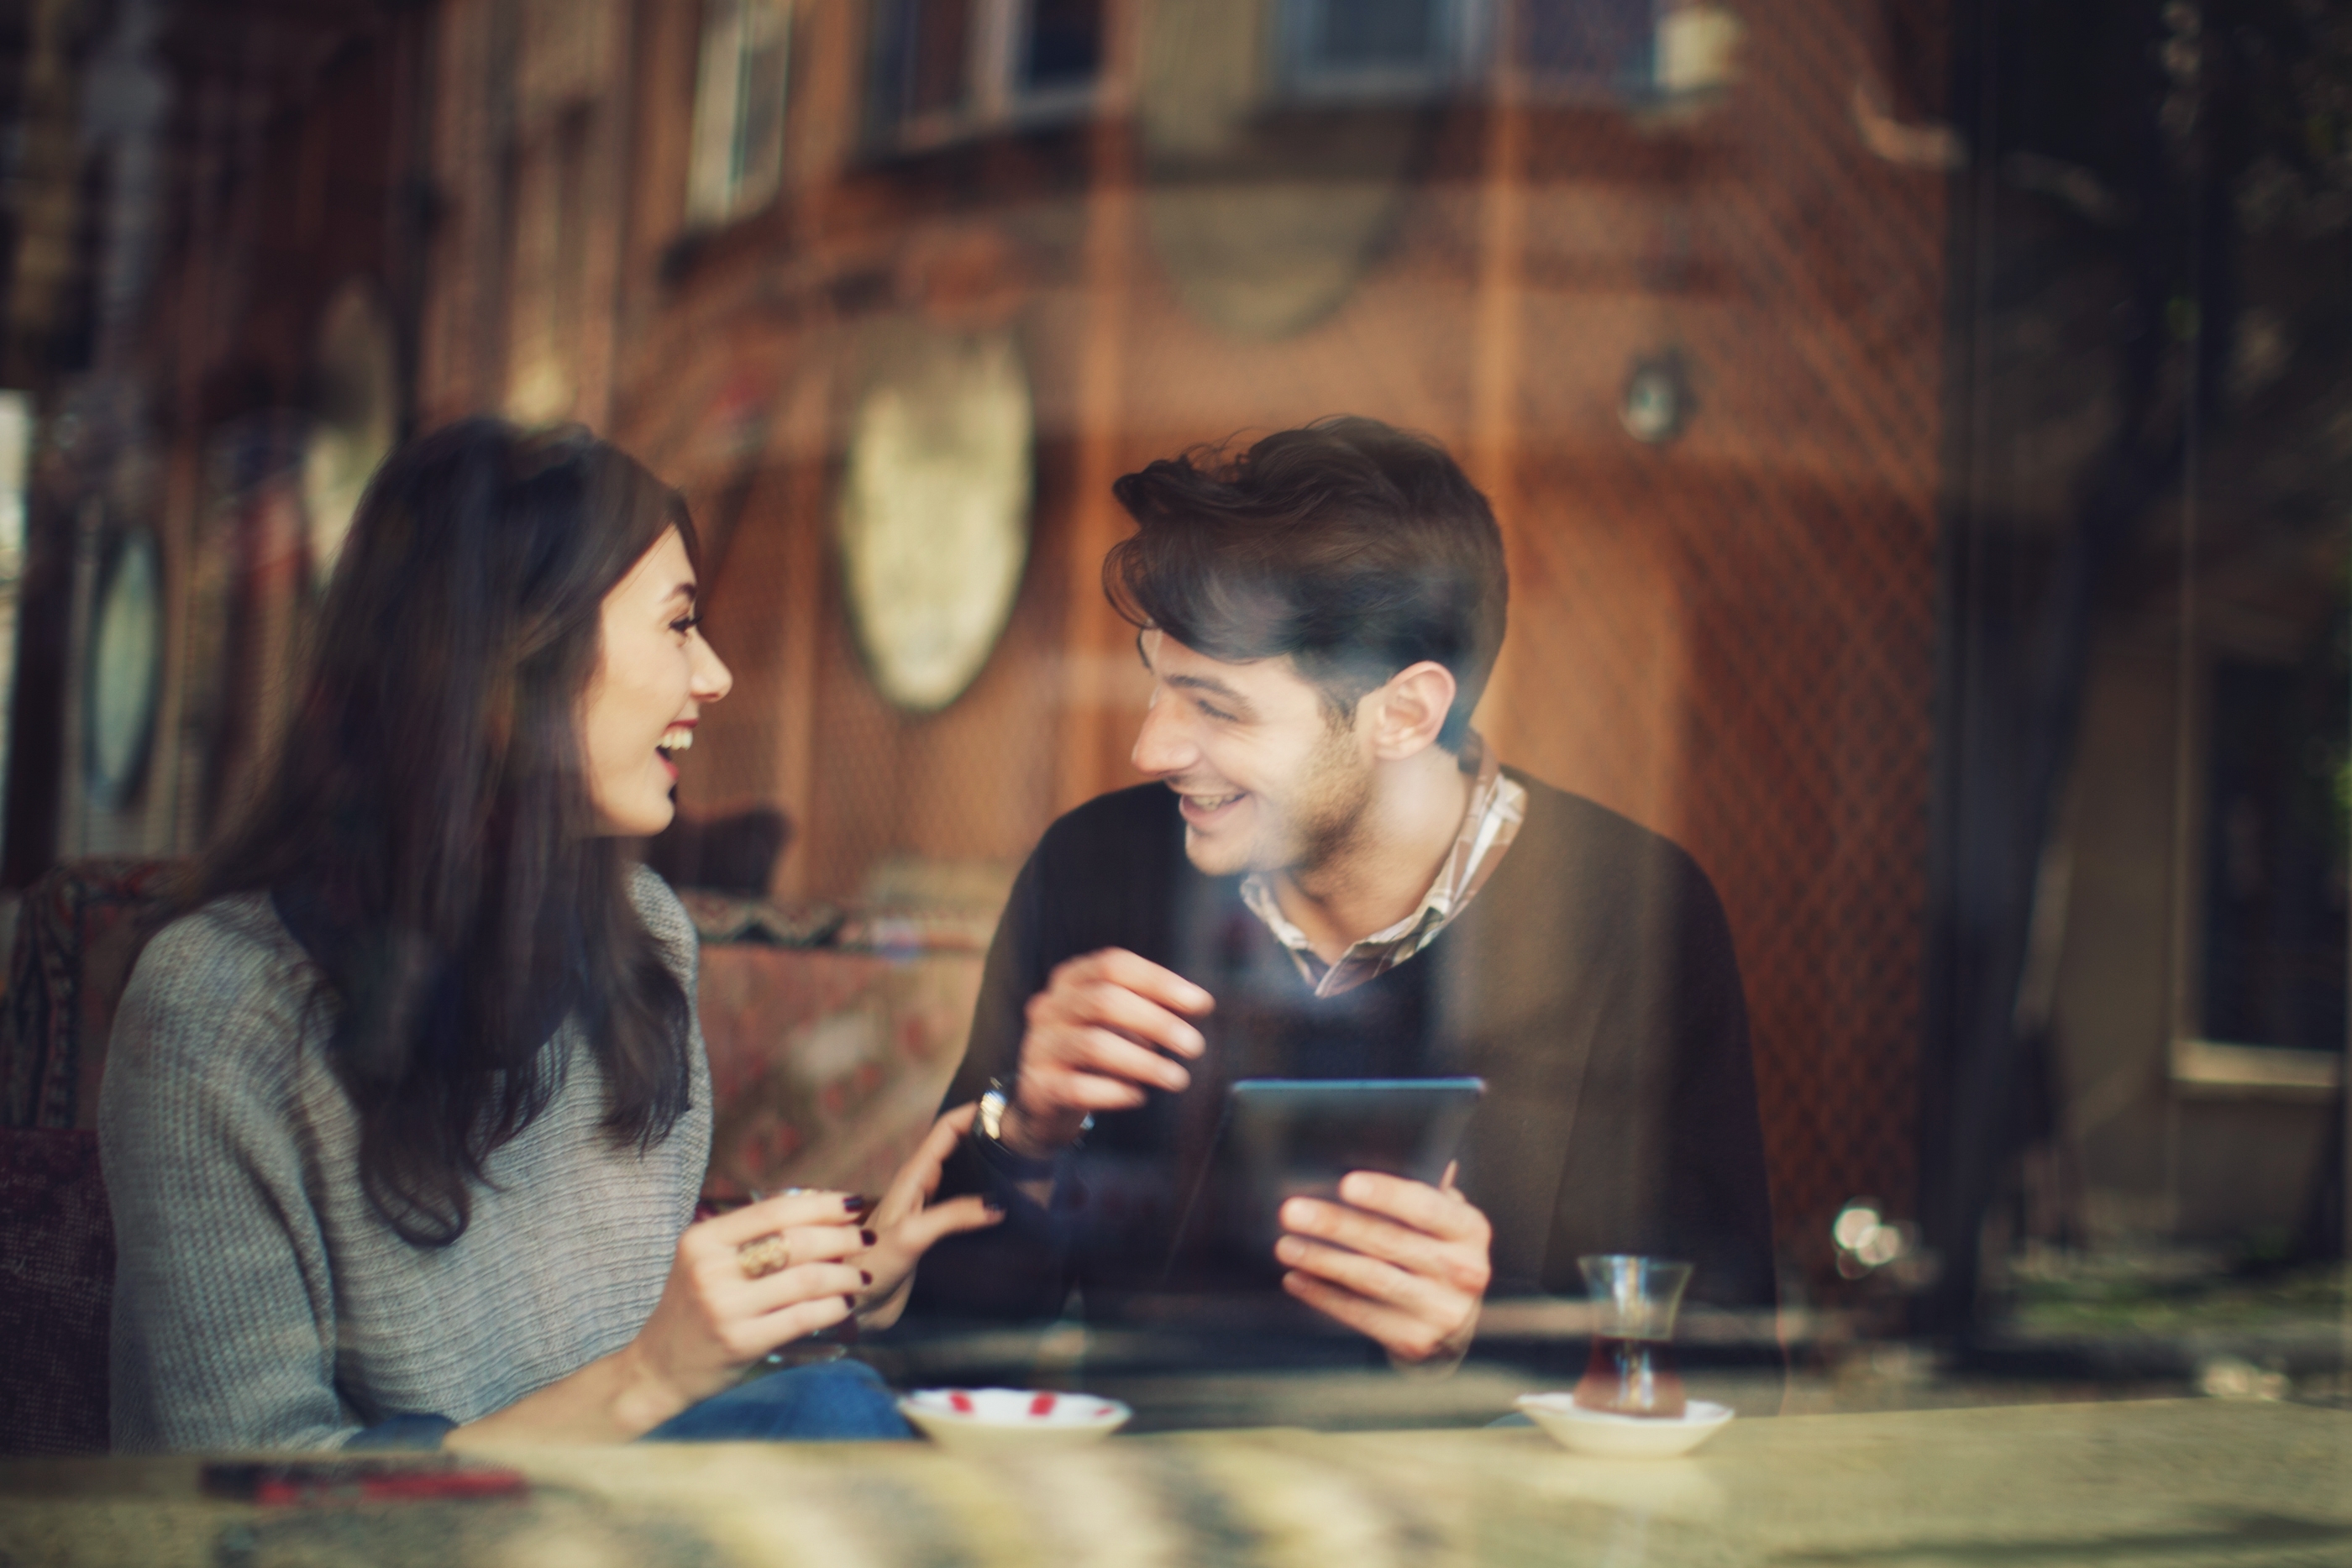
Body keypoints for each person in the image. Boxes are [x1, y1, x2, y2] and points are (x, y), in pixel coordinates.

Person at [98, 420, 998, 1451]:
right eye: (677, 623)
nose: (714, 675)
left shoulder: (643, 942)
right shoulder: (214, 1009)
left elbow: (630, 1394)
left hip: (609, 1526)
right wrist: (651, 1376)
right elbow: (234, 1505)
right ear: (514, 661)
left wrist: (823, 1295)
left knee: (846, 1406)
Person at [917, 416, 1774, 1370]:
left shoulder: (1627, 911)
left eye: (1215, 705)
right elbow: (942, 1334)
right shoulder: (1095, 865)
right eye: (1157, 685)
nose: (1149, 748)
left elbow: (1727, 1363)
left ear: (1404, 714)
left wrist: (1473, 1336)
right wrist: (1023, 1132)